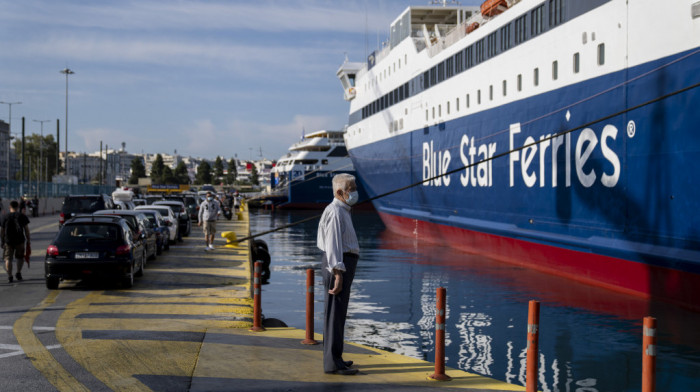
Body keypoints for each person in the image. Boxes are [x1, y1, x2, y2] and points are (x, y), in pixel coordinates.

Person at [316, 173, 360, 375]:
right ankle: (332, 364)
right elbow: (333, 245)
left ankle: (336, 358)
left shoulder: (342, 210)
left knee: (338, 314)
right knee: (335, 314)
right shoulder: (335, 212)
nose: (355, 191)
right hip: (338, 265)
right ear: (340, 192)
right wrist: (338, 273)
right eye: (352, 189)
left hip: (341, 264)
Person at [1, 200, 31, 283]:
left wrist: (2, 241)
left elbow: (2, 230)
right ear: (18, 207)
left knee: (8, 259)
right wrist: (28, 240)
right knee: (20, 257)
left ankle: (10, 276)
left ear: (9, 207)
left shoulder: (4, 217)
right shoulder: (22, 216)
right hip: (20, 240)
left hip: (8, 241)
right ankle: (18, 273)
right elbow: (26, 230)